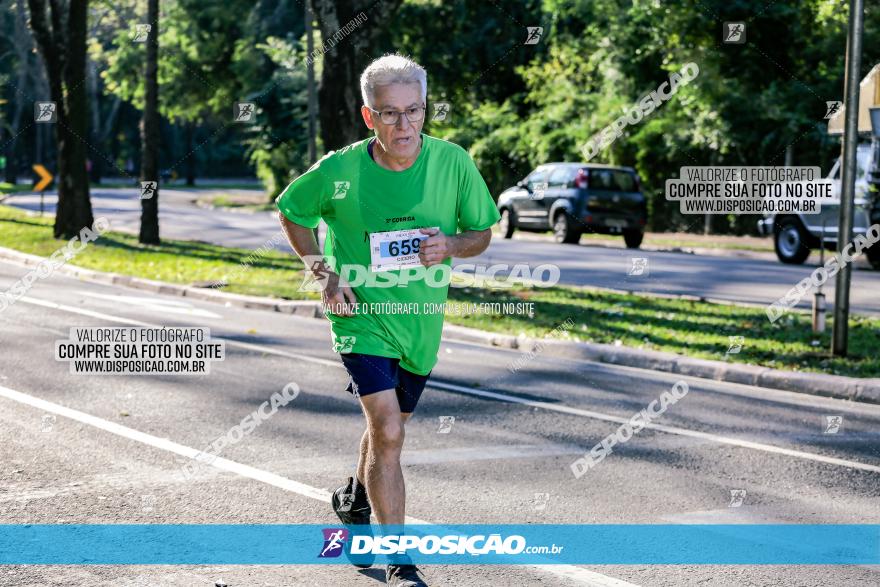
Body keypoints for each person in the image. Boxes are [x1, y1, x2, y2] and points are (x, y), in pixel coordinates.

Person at [276, 53, 499, 587]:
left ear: (425, 109)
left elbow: (483, 233)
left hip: (420, 318)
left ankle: (353, 500)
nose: (405, 125)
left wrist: (450, 245)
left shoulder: (453, 163)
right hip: (360, 318)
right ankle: (400, 561)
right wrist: (324, 274)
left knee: (386, 432)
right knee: (390, 431)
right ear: (368, 115)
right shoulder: (338, 171)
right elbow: (292, 211)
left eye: (414, 111)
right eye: (390, 113)